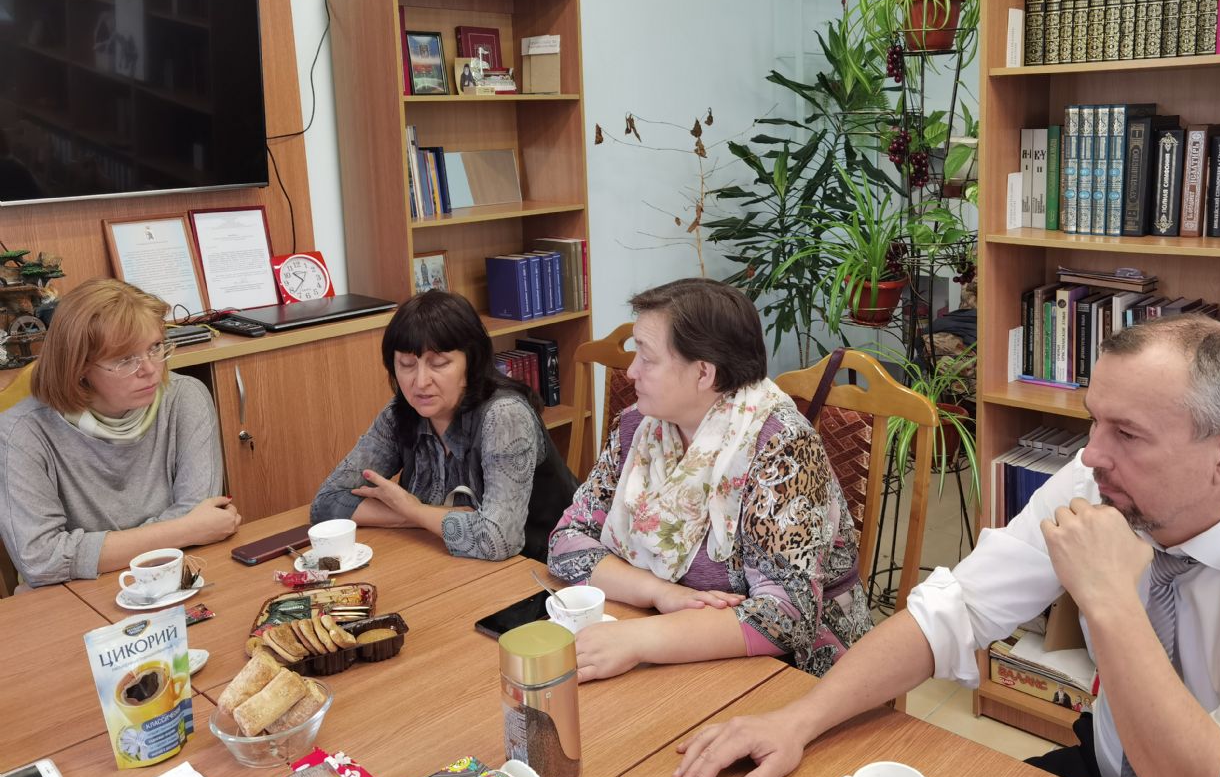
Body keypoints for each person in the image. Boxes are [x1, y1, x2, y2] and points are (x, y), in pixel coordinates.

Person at [672, 313, 1220, 777]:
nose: (1091, 454)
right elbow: (956, 611)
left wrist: (1109, 602)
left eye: (1127, 434)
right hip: (1105, 766)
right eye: (1093, 419)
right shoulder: (1100, 481)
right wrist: (796, 720)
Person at [547, 278, 872, 683]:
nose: (630, 372)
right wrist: (661, 593)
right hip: (672, 642)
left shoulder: (781, 446)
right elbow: (566, 542)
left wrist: (639, 640)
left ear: (703, 373)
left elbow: (788, 616)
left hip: (796, 672)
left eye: (646, 358)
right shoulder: (638, 430)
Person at [0, 278, 238, 586]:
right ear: (78, 367)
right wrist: (185, 530)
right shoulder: (19, 432)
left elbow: (202, 512)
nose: (150, 370)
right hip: (71, 594)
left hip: (171, 576)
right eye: (125, 359)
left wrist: (90, 552)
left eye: (155, 347)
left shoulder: (185, 398)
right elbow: (42, 560)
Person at [310, 290, 576, 561]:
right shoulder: (399, 413)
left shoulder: (505, 415)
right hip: (450, 562)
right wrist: (418, 514)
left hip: (545, 568)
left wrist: (416, 510)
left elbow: (499, 539)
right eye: (406, 364)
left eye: (438, 364)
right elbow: (327, 503)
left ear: (471, 362)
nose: (420, 382)